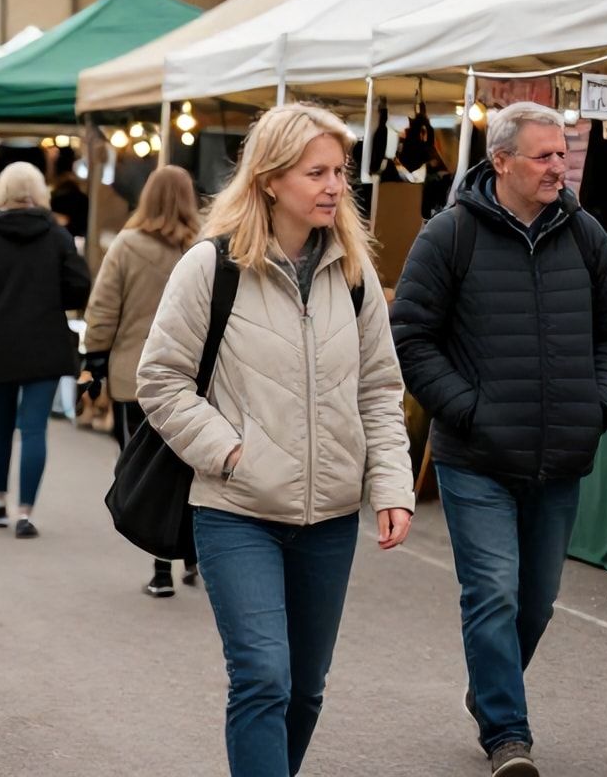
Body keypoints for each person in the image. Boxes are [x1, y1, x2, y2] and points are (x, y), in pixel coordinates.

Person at [138, 103, 415, 777]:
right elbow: (161, 379)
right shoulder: (212, 266)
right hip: (236, 510)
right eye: (315, 172)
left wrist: (392, 485)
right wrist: (231, 452)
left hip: (331, 519)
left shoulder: (352, 275)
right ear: (268, 179)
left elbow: (380, 388)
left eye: (339, 172)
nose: (332, 186)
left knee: (306, 689)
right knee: (264, 676)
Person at [391, 100, 607, 777]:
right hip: (478, 457)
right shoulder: (450, 235)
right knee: (492, 592)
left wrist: (601, 403)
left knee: (536, 602)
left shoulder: (584, 235)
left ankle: (491, 687)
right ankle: (507, 733)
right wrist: (468, 410)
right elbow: (410, 336)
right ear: (501, 162)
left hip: (561, 454)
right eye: (545, 155)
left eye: (563, 153)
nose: (561, 166)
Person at [0, 162, 90, 538]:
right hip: (45, 341)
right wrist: (51, 300)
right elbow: (80, 287)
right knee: (34, 429)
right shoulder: (57, 234)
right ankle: (25, 512)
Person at [82, 164, 201, 597]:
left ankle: (161, 569)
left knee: (146, 470)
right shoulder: (202, 247)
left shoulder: (127, 245)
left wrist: (92, 361)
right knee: (188, 467)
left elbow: (103, 308)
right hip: (191, 376)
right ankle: (190, 556)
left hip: (134, 375)